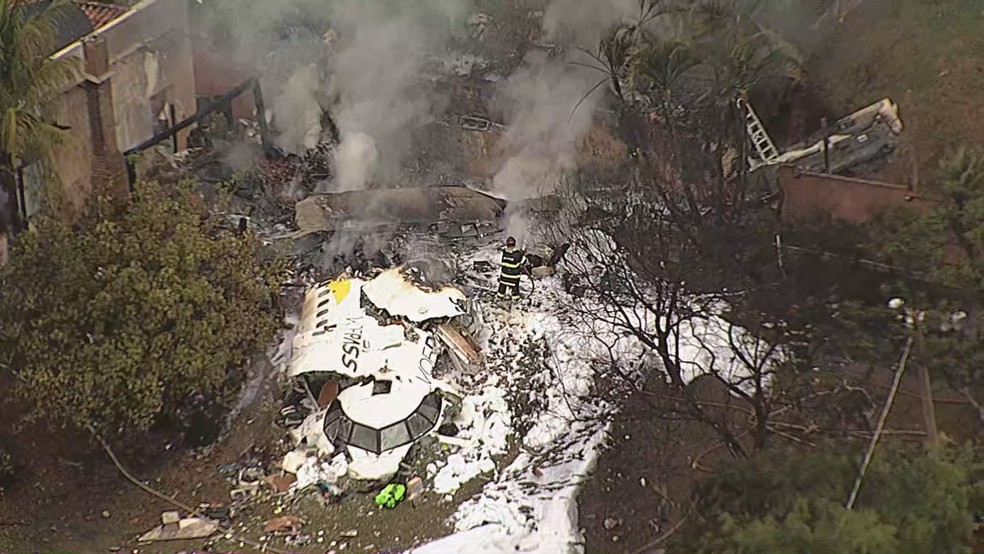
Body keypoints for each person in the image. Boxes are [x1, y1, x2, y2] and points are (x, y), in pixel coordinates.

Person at [498, 236, 526, 300]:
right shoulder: (518, 254)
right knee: (515, 288)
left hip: (504, 277)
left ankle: (499, 297)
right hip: (514, 278)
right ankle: (516, 299)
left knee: (502, 287)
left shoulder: (504, 253)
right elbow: (524, 261)